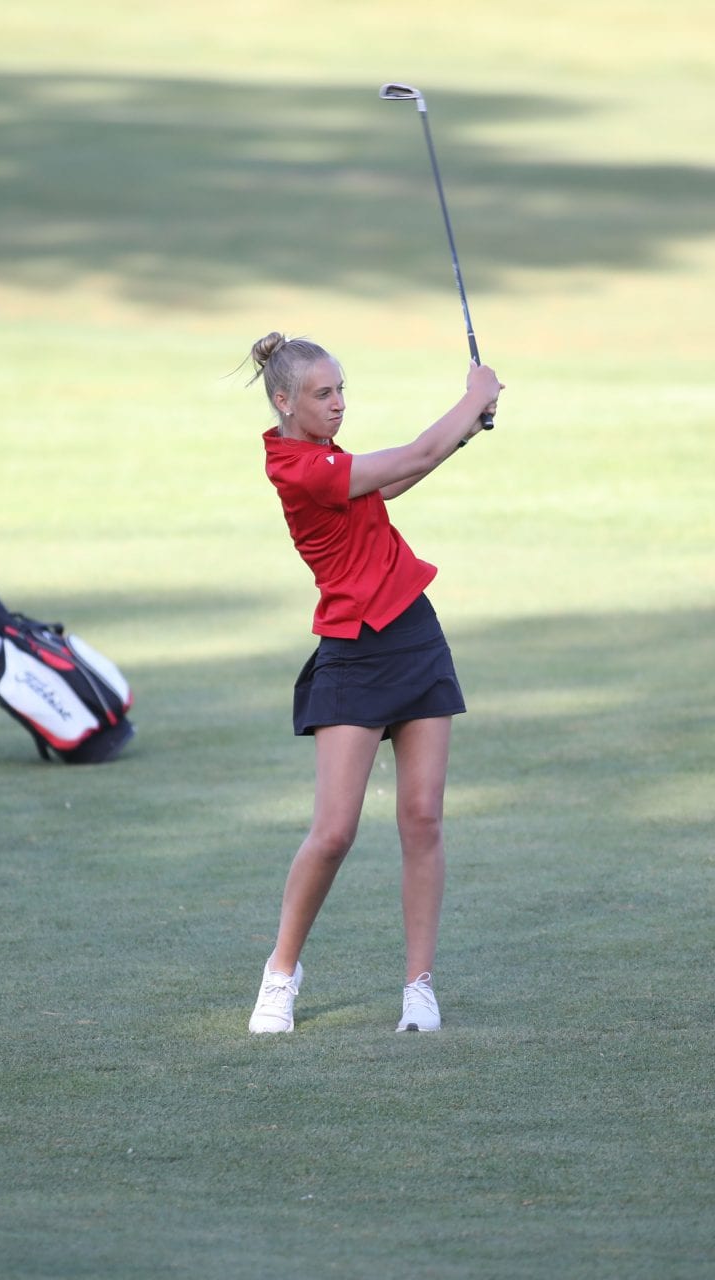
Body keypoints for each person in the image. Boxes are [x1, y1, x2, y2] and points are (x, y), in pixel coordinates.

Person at [241, 332, 503, 1034]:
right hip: (353, 653)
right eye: (322, 394)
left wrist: (462, 434)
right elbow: (412, 455)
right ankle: (280, 974)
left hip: (413, 636)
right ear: (283, 400)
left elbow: (389, 482)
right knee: (333, 832)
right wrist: (473, 398)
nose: (338, 404)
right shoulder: (297, 468)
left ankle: (420, 987)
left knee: (422, 817)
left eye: (341, 390)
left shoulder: (329, 456)